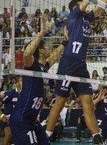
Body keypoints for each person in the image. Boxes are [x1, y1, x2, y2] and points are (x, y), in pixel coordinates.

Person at [46, 0, 107, 144]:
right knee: (60, 102)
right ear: (76, 7)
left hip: (81, 65)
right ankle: (46, 135)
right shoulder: (74, 15)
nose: (85, 5)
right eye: (82, 3)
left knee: (88, 104)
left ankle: (96, 138)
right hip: (68, 62)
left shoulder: (87, 19)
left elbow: (101, 4)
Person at [9, 14, 66, 145]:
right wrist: (42, 32)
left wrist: (65, 41)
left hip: (33, 121)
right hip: (22, 120)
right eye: (46, 47)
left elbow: (54, 56)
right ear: (40, 51)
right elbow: (26, 54)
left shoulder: (43, 68)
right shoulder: (31, 66)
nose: (49, 50)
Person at [0, 76, 22, 145]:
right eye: (22, 81)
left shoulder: (25, 94)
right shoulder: (10, 93)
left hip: (19, 119)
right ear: (17, 83)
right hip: (8, 118)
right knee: (8, 133)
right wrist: (2, 115)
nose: (24, 83)